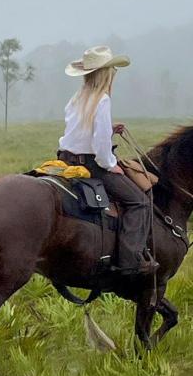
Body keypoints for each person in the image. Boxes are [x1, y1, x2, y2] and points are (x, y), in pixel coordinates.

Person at [57, 45, 157, 277]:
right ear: (106, 74)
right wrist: (111, 164)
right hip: (91, 165)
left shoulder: (77, 98)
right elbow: (101, 150)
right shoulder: (101, 100)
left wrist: (108, 129)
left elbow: (78, 133)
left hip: (65, 159)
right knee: (139, 202)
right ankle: (129, 261)